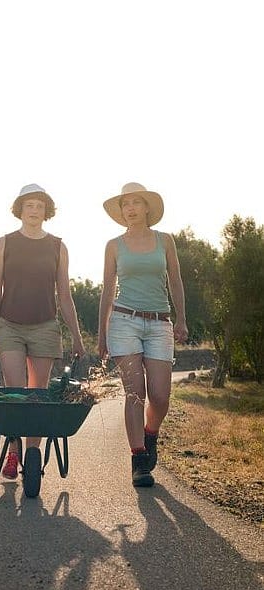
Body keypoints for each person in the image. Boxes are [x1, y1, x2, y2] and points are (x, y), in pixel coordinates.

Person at [0, 183, 85, 479]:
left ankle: (32, 451)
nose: (34, 210)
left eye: (40, 206)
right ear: (20, 209)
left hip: (45, 326)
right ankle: (14, 452)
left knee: (38, 395)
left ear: (46, 211)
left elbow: (64, 295)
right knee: (15, 393)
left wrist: (77, 336)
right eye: (29, 205)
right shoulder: (3, 243)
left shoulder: (58, 246)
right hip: (9, 325)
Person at [98, 182, 188, 488]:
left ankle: (151, 433)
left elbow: (175, 281)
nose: (131, 209)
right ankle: (138, 460)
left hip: (160, 322)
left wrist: (182, 319)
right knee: (135, 392)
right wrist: (101, 335)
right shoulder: (113, 245)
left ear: (147, 207)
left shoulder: (165, 241)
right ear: (122, 211)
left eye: (137, 203)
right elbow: (107, 291)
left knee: (160, 396)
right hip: (124, 322)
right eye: (126, 204)